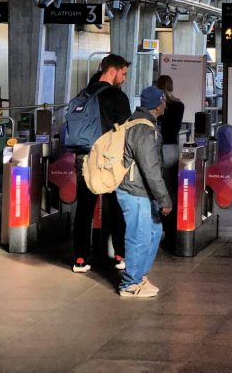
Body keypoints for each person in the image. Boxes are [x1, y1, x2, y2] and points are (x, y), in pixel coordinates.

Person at [71, 54, 131, 274]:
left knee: (84, 209)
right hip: (108, 161)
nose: (124, 78)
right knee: (116, 207)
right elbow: (125, 131)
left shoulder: (83, 94)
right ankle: (119, 255)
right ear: (113, 70)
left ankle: (80, 258)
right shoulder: (117, 96)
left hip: (83, 158)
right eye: (123, 73)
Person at [117, 85, 173, 298]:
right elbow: (150, 169)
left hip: (141, 190)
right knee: (138, 236)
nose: (166, 104)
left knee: (154, 232)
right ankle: (129, 284)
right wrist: (164, 199)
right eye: (164, 101)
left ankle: (139, 276)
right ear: (159, 103)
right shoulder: (144, 129)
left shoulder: (143, 123)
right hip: (135, 191)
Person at [155, 74, 185, 240]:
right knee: (171, 187)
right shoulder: (179, 105)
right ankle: (171, 224)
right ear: (171, 86)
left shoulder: (156, 105)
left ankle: (158, 222)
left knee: (156, 185)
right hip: (172, 148)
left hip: (156, 148)